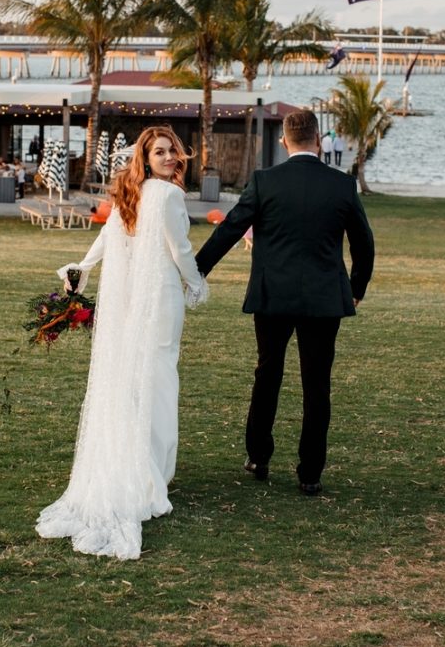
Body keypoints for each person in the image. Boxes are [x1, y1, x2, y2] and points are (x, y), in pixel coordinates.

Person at [38, 126, 208, 560]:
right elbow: (180, 248)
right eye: (160, 152)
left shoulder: (132, 192)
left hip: (134, 302)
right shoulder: (167, 196)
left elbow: (105, 237)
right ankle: (152, 478)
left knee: (136, 384)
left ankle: (140, 467)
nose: (171, 158)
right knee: (159, 384)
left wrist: (84, 266)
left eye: (173, 151)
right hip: (160, 301)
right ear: (145, 158)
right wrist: (197, 284)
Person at [195, 109, 374, 496]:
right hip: (325, 299)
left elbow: (230, 228)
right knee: (317, 383)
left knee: (268, 373)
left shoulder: (265, 181)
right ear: (320, 139)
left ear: (284, 141)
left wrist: (197, 270)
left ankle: (258, 457)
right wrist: (356, 287)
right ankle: (310, 472)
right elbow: (364, 242)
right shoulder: (342, 184)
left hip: (272, 295)